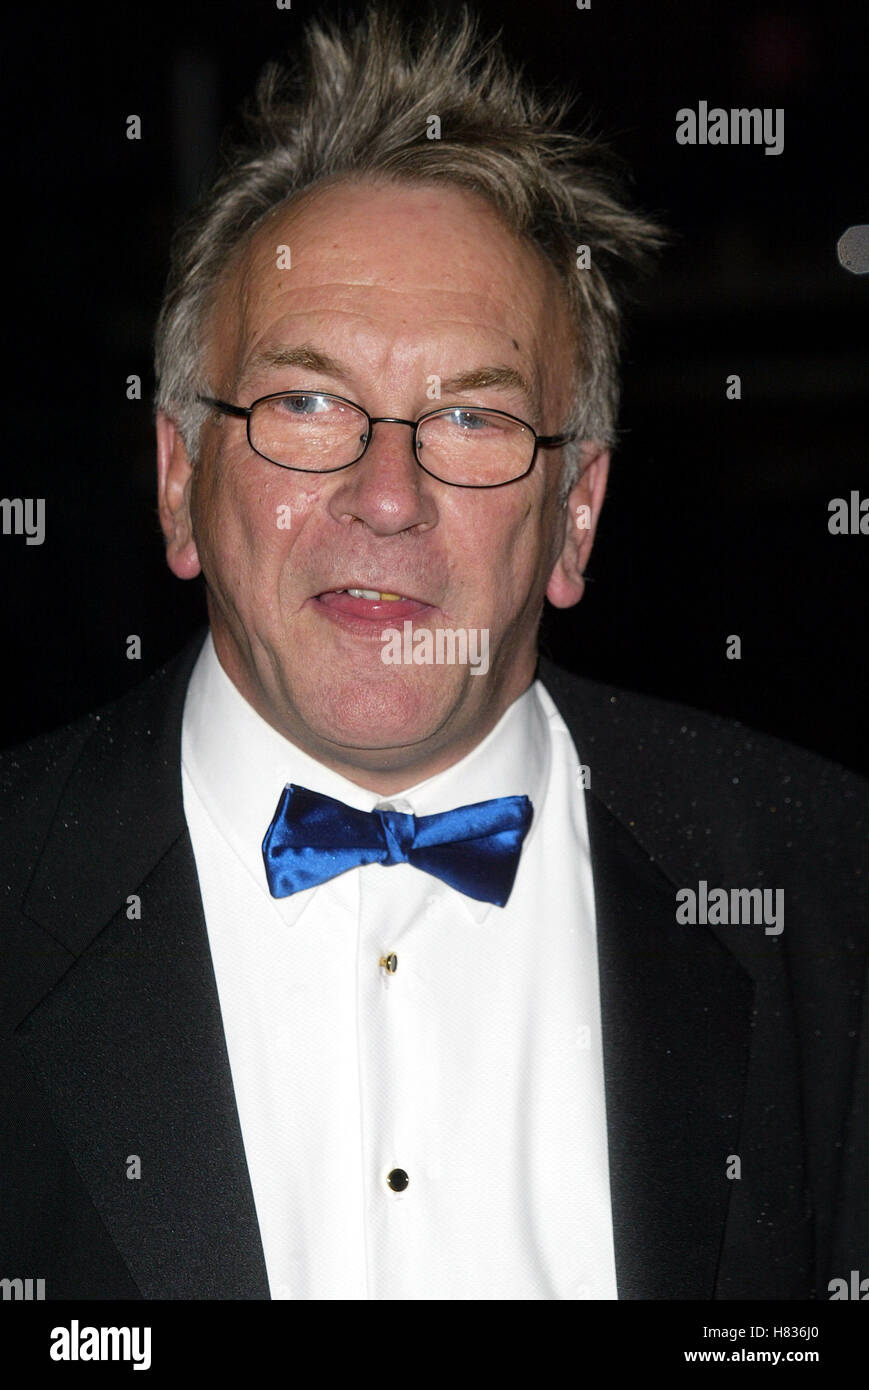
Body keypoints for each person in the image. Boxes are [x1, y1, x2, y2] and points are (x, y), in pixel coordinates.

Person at [1, 5, 866, 1301]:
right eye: (305, 401)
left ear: (576, 514)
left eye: (469, 415)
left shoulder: (830, 885)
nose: (387, 492)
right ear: (178, 483)